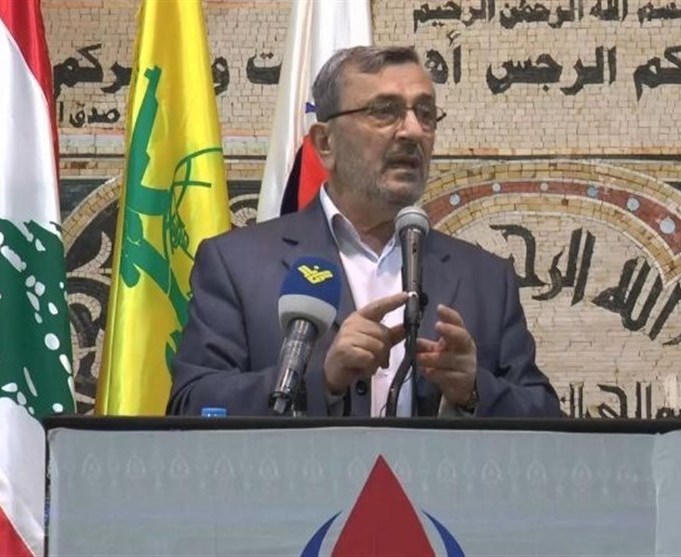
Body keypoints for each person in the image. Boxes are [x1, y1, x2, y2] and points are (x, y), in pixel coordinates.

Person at [167, 45, 561, 418]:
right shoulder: (237, 264)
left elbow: (546, 418)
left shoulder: (486, 278)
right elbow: (192, 404)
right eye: (385, 111)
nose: (413, 131)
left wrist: (474, 390)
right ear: (326, 143)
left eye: (425, 113)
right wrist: (321, 378)